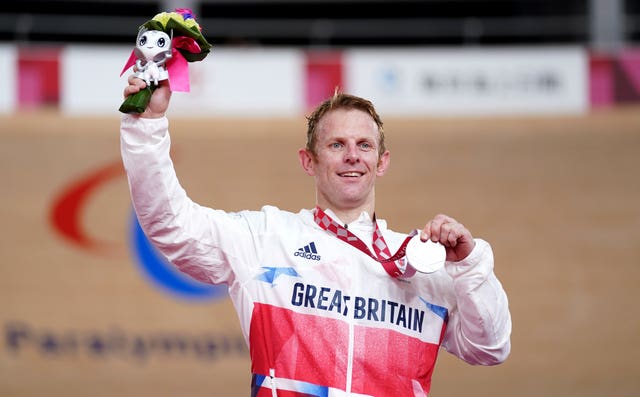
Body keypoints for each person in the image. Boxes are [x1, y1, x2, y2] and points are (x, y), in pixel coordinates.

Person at [120, 76, 511, 397]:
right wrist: (148, 124)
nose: (352, 156)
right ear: (309, 160)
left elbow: (489, 348)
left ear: (382, 161)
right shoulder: (266, 238)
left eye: (364, 145)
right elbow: (170, 224)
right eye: (336, 144)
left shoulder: (420, 260)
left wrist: (468, 264)